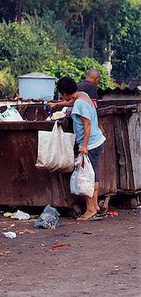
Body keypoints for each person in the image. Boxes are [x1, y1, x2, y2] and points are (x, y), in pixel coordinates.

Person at [56, 76, 106, 221]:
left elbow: (87, 124)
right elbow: (71, 101)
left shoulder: (79, 104)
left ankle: (90, 209)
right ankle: (95, 206)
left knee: (86, 176)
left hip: (89, 144)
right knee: (93, 174)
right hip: (97, 141)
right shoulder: (83, 95)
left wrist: (83, 145)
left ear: (64, 93)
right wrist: (56, 105)